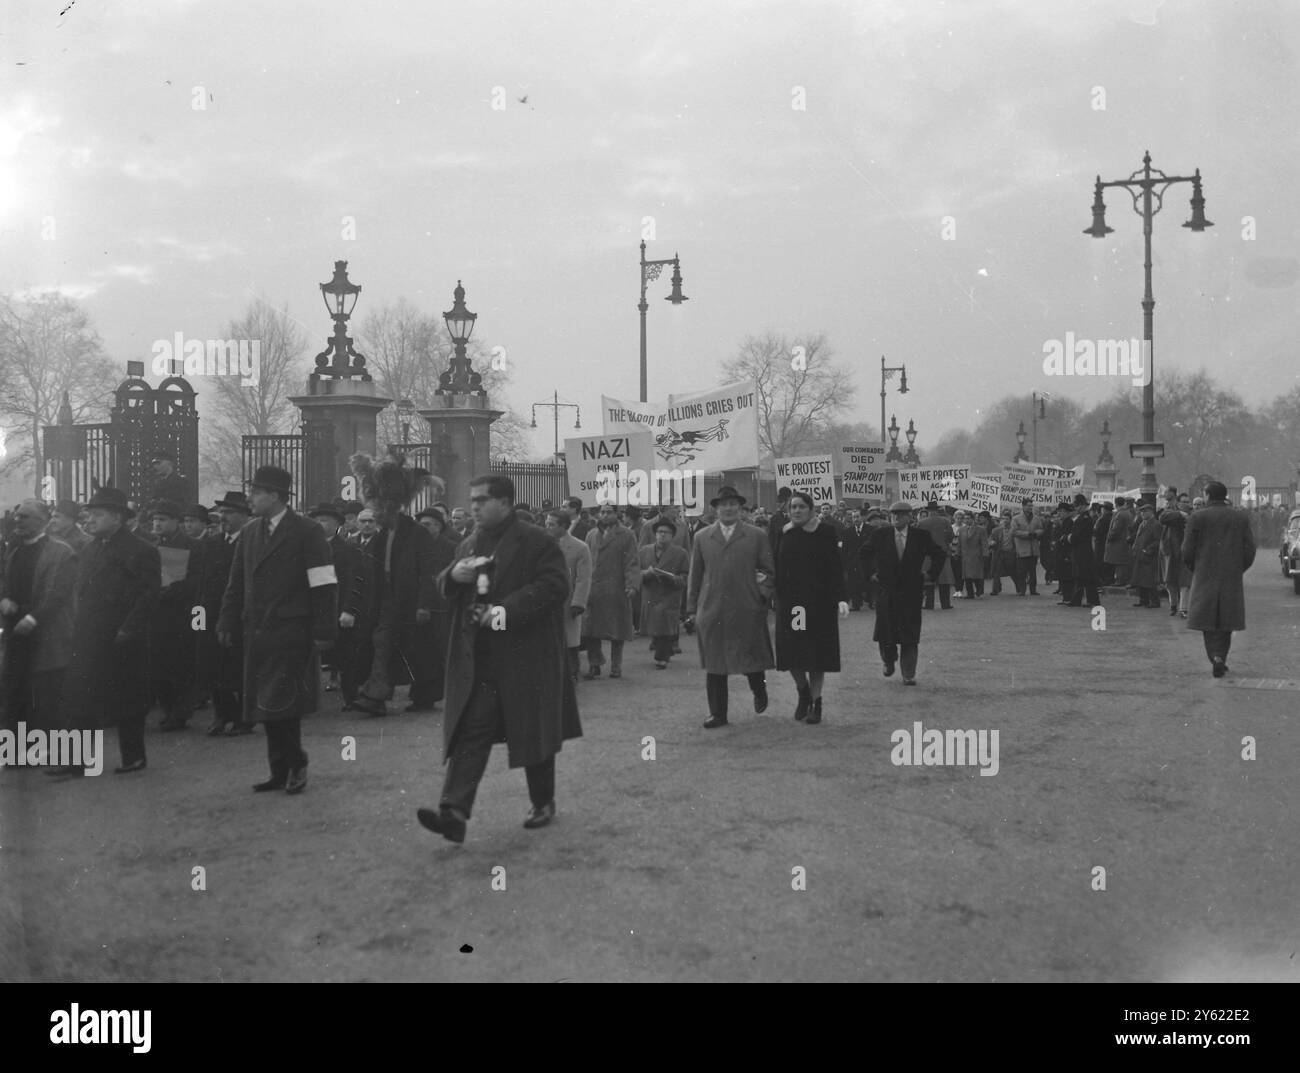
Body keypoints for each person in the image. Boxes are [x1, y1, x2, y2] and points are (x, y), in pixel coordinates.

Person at [417, 474, 581, 843]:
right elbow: (444, 585)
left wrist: (503, 612)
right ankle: (453, 812)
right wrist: (453, 575)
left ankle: (542, 802)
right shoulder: (469, 542)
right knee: (470, 731)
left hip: (526, 656)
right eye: (472, 500)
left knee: (532, 730)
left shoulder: (537, 541)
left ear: (505, 503)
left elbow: (555, 587)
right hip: (480, 659)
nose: (474, 507)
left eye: (482, 500)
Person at [217, 466, 338, 795]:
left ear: (275, 496)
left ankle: (296, 764)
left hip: (292, 629)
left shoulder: (307, 530)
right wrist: (227, 619)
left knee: (283, 702)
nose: (250, 498)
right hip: (257, 630)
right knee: (265, 702)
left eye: (256, 493)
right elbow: (236, 582)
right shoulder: (250, 532)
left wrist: (323, 630)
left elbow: (324, 583)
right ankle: (279, 769)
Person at [61, 488, 161, 775]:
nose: (89, 520)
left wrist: (128, 630)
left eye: (97, 514)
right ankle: (76, 761)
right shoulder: (89, 548)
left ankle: (133, 757)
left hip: (122, 637)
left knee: (128, 697)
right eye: (88, 514)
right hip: (89, 635)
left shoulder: (142, 550)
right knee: (81, 697)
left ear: (117, 517)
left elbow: (148, 596)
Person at [348, 452, 442, 717]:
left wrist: (424, 604)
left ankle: (420, 694)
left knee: (414, 650)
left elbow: (428, 571)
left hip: (410, 601)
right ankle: (375, 696)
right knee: (383, 643)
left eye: (383, 507)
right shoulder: (380, 535)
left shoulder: (417, 533)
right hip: (386, 601)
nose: (379, 512)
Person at [686, 486, 775, 728]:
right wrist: (692, 609)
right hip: (712, 609)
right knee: (715, 663)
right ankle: (718, 713)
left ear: (740, 507)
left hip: (747, 608)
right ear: (715, 509)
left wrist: (761, 596)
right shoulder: (702, 537)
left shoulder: (756, 536)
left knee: (752, 658)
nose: (728, 508)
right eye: (723, 504)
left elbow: (769, 571)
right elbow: (695, 575)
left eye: (733, 504)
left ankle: (759, 689)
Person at [0, 500, 75, 741]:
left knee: (45, 694)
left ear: (42, 521)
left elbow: (58, 593)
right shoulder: (14, 549)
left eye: (25, 517)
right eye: (17, 515)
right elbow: (5, 581)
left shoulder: (61, 552)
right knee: (15, 692)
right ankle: (17, 748)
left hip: (46, 632)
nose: (17, 520)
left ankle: (49, 748)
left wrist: (33, 618)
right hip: (16, 631)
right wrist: (4, 599)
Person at [774, 492, 848, 724]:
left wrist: (841, 597)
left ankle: (816, 703)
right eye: (793, 507)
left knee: (817, 655)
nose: (796, 511)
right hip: (793, 605)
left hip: (819, 604)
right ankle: (803, 691)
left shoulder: (825, 532)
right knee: (792, 652)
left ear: (811, 509)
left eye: (801, 507)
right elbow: (777, 566)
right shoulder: (784, 532)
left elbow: (835, 567)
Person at [859, 501, 946, 686]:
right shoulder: (880, 535)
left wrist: (930, 574)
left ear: (909, 517)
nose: (896, 518)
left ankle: (908, 673)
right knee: (886, 632)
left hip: (910, 592)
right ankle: (888, 660)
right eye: (893, 514)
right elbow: (864, 553)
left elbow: (939, 553)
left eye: (900, 514)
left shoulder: (920, 536)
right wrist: (871, 574)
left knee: (910, 634)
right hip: (887, 590)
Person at [1182, 481, 1255, 678]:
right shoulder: (1240, 517)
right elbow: (1250, 549)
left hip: (1205, 574)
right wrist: (1238, 569)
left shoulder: (1197, 517)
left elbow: (1187, 550)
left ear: (1207, 495)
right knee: (1227, 620)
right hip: (1230, 576)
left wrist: (1196, 568)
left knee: (1207, 620)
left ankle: (1215, 656)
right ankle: (1220, 656)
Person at [195, 491, 253, 736]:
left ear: (244, 516)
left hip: (240, 614)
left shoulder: (251, 543)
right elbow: (200, 581)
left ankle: (244, 718)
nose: (223, 517)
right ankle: (221, 715)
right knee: (213, 664)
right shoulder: (210, 543)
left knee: (238, 667)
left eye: (229, 512)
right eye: (221, 512)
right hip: (211, 613)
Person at [307, 501, 374, 712]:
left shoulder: (347, 550)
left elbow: (355, 582)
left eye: (325, 520)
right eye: (317, 520)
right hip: (312, 611)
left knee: (345, 656)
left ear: (337, 524)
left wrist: (349, 610)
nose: (320, 524)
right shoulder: (306, 549)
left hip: (338, 610)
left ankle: (350, 697)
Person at [148, 500, 200, 731]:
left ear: (176, 522)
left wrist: (173, 590)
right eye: (154, 519)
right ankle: (169, 709)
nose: (157, 524)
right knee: (161, 664)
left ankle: (180, 712)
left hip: (183, 613)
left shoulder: (192, 546)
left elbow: (197, 580)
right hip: (160, 613)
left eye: (162, 519)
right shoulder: (154, 545)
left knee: (181, 664)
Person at [581, 501, 639, 679]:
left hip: (616, 588)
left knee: (617, 630)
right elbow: (585, 561)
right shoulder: (591, 534)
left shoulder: (627, 535)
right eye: (602, 512)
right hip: (594, 589)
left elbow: (632, 561)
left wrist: (632, 585)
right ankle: (594, 663)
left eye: (609, 512)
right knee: (590, 630)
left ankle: (616, 666)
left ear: (616, 514)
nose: (605, 515)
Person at [545, 508, 591, 683]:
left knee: (570, 641)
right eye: (547, 523)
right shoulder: (540, 544)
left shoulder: (580, 548)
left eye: (552, 524)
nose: (547, 527)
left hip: (568, 603)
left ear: (563, 526)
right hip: (546, 602)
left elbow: (583, 578)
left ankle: (572, 675)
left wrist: (578, 603)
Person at [639, 518, 690, 669]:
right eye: (659, 532)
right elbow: (635, 571)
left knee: (665, 624)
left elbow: (685, 577)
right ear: (655, 534)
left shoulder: (681, 554)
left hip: (669, 595)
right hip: (651, 594)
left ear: (672, 536)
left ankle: (662, 657)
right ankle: (666, 650)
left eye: (666, 532)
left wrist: (673, 578)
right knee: (656, 627)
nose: (662, 535)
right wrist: (645, 573)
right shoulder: (644, 551)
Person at [915, 500, 955, 609]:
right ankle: (945, 604)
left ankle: (929, 603)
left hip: (928, 554)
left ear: (928, 511)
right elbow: (951, 536)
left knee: (929, 579)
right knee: (944, 580)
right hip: (943, 553)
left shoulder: (922, 523)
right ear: (937, 510)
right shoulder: (945, 521)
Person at [1160, 491, 1192, 617]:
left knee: (1185, 582)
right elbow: (1162, 517)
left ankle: (1183, 608)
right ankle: (1173, 605)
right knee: (1170, 581)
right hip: (1172, 552)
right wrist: (1180, 514)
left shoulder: (1193, 514)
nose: (1186, 504)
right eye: (1183, 502)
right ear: (1178, 502)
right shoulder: (1173, 513)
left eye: (1187, 502)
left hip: (1186, 552)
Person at [1130, 501, 1163, 608]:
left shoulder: (1156, 524)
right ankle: (1143, 600)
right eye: (1141, 512)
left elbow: (1157, 540)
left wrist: (1147, 550)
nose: (1142, 514)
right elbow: (1138, 538)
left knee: (1150, 580)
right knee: (1141, 578)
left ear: (1151, 512)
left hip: (1149, 556)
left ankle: (1154, 601)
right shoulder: (1142, 523)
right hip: (1140, 554)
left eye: (1144, 512)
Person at [1010, 497, 1044, 595]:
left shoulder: (1036, 518)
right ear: (1023, 506)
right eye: (1028, 506)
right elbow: (1014, 532)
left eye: (1031, 506)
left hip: (1033, 549)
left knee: (1033, 571)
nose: (1030, 507)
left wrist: (1036, 533)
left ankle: (1033, 590)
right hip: (1022, 549)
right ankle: (1022, 590)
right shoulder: (1016, 518)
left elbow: (1041, 529)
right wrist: (1027, 534)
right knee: (1022, 571)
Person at [839, 509, 868, 611]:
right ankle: (856, 603)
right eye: (853, 517)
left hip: (867, 560)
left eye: (857, 516)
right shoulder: (847, 532)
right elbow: (844, 549)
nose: (855, 519)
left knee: (867, 581)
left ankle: (870, 601)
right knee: (853, 583)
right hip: (853, 561)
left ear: (862, 517)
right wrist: (844, 563)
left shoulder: (870, 529)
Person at [1105, 498, 1135, 587]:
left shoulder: (1119, 515)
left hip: (1118, 542)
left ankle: (1119, 581)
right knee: (1122, 562)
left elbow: (1115, 530)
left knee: (1118, 562)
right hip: (1125, 541)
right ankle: (1122, 580)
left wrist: (1109, 537)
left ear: (1116, 504)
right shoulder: (1128, 513)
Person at [958, 509, 987, 598]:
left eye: (968, 518)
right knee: (967, 576)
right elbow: (959, 543)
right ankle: (970, 593)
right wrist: (958, 553)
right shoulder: (961, 529)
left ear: (972, 519)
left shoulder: (980, 529)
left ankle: (979, 590)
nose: (966, 520)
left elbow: (984, 543)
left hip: (976, 555)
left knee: (977, 575)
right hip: (965, 556)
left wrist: (985, 554)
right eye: (965, 519)